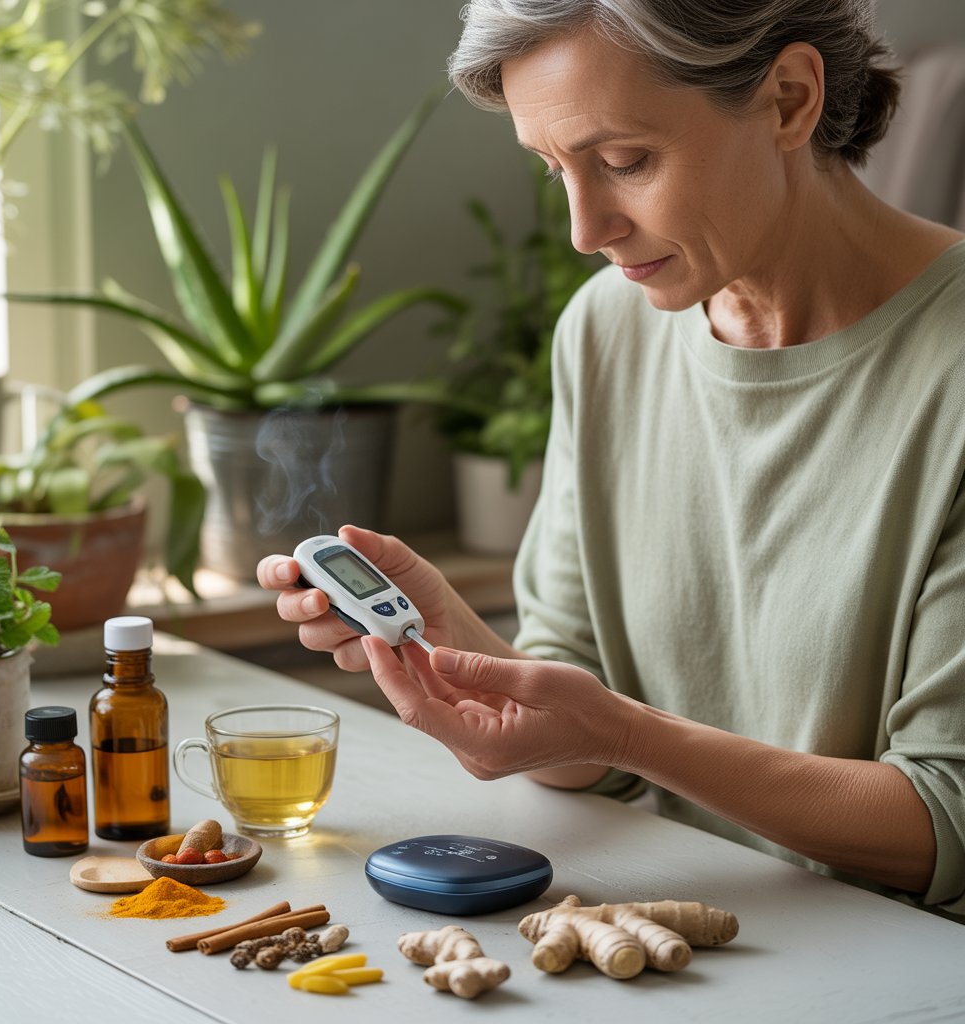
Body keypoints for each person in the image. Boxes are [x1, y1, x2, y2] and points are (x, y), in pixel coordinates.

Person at [257, 0, 965, 916]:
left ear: (789, 100)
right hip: (663, 929)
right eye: (554, 169)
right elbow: (580, 739)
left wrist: (631, 737)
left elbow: (945, 821)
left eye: (625, 162)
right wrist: (445, 641)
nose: (585, 228)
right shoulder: (604, 333)